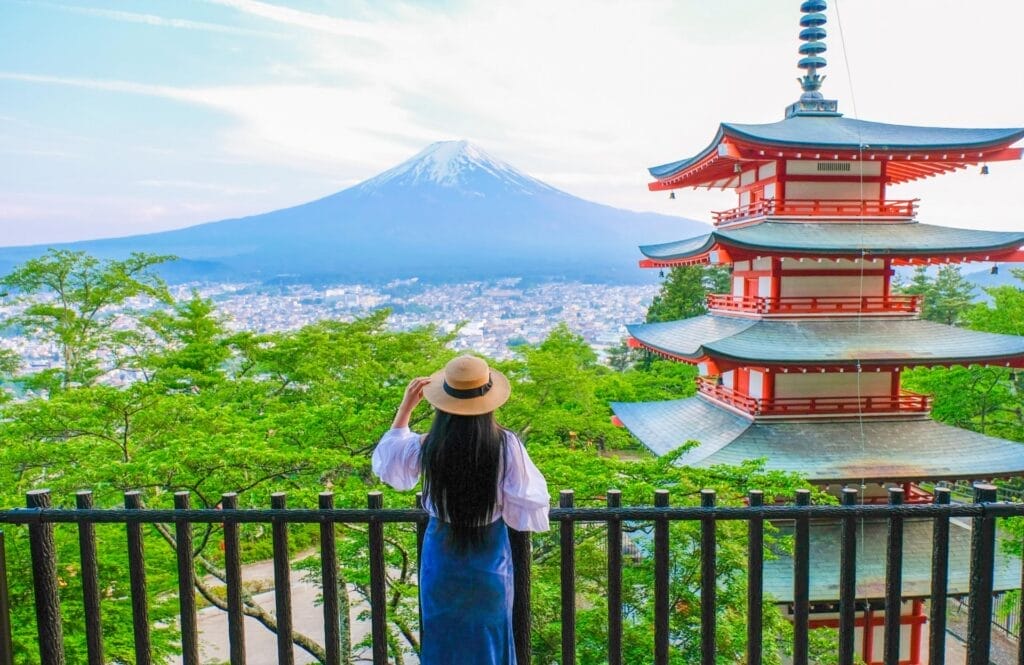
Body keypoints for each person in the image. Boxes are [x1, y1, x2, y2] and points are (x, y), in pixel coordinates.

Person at [372, 355, 550, 665]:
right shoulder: (505, 445)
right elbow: (528, 507)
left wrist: (405, 409)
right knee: (489, 643)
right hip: (489, 560)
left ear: (444, 402)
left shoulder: (429, 445)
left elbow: (389, 466)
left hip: (441, 560)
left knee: (444, 644)